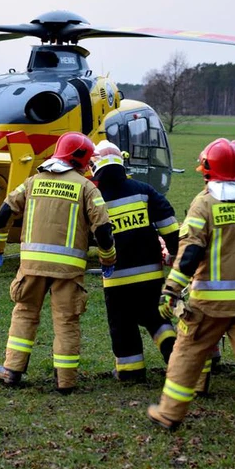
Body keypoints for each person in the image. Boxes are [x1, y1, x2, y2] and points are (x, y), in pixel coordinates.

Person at [146, 139, 235, 445]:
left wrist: (171, 289)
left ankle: (169, 413)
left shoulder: (204, 204)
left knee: (186, 354)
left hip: (209, 304)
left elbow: (190, 252)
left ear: (208, 171)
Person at [0, 132, 116, 393]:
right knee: (67, 322)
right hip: (68, 270)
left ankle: (12, 370)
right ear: (80, 159)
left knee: (24, 314)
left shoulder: (32, 182)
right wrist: (108, 258)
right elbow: (103, 228)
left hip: (31, 267)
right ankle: (66, 382)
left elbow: (4, 213)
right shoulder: (86, 187)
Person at [90, 141, 180, 382]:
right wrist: (173, 252)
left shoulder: (96, 199)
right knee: (155, 318)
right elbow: (169, 226)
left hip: (116, 279)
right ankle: (175, 357)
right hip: (150, 274)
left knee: (122, 325)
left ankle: (131, 372)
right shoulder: (143, 190)